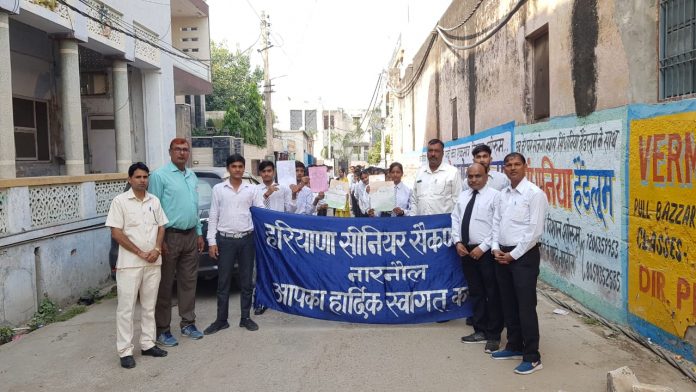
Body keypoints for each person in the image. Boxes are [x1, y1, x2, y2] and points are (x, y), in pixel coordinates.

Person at [490, 152, 548, 375]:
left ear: (525, 167)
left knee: (525, 306)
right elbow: (496, 223)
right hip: (501, 255)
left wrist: (513, 255)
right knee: (509, 304)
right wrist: (495, 247)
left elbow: (534, 231)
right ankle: (514, 345)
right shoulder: (502, 194)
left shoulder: (535, 194)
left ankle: (532, 356)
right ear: (504, 168)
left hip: (523, 257)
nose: (512, 168)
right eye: (508, 165)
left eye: (517, 164)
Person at [106, 162, 169, 369]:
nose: (143, 180)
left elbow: (161, 227)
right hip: (130, 264)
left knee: (149, 306)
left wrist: (157, 249)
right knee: (126, 309)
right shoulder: (120, 201)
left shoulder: (154, 201)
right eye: (138, 177)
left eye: (145, 177)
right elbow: (116, 233)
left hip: (153, 262)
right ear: (130, 179)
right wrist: (141, 253)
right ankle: (125, 351)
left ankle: (148, 344)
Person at [149, 138, 205, 346]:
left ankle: (188, 323)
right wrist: (158, 240)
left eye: (185, 150)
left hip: (190, 235)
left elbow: (194, 206)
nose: (182, 153)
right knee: (164, 284)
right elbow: (153, 209)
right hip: (169, 236)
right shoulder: (159, 176)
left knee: (189, 282)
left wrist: (199, 232)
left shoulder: (191, 176)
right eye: (177, 150)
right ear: (170, 152)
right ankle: (162, 329)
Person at [204, 154, 264, 335]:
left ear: (244, 168)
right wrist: (212, 241)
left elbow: (261, 213)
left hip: (247, 239)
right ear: (228, 169)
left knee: (246, 281)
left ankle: (245, 317)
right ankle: (221, 320)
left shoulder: (251, 189)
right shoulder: (219, 189)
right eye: (234, 166)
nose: (237, 169)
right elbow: (213, 215)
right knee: (223, 281)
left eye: (240, 166)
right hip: (225, 239)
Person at [450, 163, 503, 355]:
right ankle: (480, 330)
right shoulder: (463, 196)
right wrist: (457, 242)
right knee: (476, 292)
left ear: (486, 176)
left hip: (486, 252)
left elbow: (497, 225)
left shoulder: (495, 197)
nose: (473, 179)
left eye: (477, 176)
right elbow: (455, 219)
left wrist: (483, 247)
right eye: (470, 176)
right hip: (466, 251)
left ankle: (494, 335)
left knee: (492, 293)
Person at [253, 160, 295, 315]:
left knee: (280, 264)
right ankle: (261, 300)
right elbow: (255, 208)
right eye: (263, 171)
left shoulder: (283, 189)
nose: (266, 174)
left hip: (278, 233)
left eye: (269, 171)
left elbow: (289, 210)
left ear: (274, 172)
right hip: (261, 233)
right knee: (261, 266)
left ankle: (281, 296)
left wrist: (293, 194)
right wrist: (266, 194)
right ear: (260, 174)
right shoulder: (255, 190)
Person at [410, 138, 462, 215]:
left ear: (442, 153)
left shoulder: (452, 172)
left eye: (437, 151)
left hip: (443, 225)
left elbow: (458, 200)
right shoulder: (420, 172)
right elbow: (414, 200)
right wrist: (413, 219)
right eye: (430, 151)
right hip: (422, 224)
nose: (433, 154)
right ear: (427, 153)